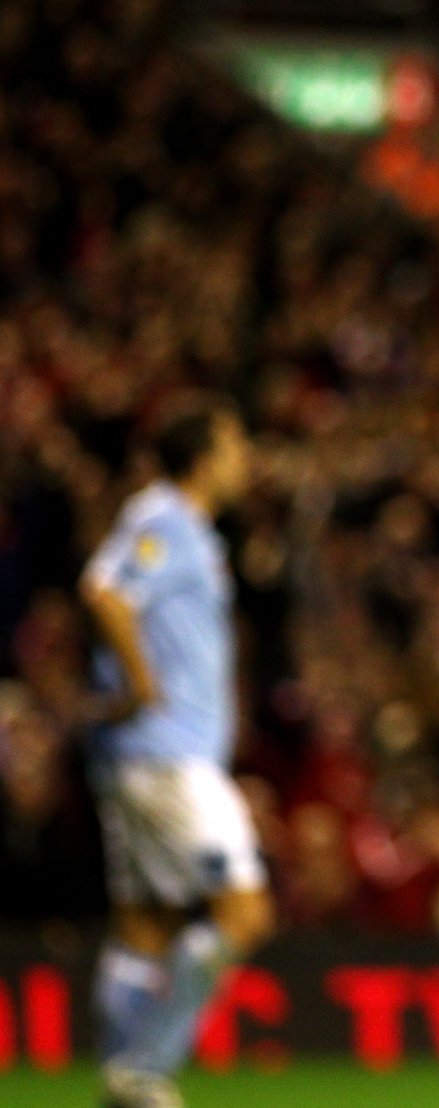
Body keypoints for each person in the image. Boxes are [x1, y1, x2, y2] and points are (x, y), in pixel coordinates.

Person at [78, 399, 273, 1108]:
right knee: (243, 912)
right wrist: (141, 684)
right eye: (235, 444)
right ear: (203, 457)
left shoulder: (190, 529)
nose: (244, 459)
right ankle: (147, 1069)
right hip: (169, 757)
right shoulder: (163, 516)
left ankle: (117, 1074)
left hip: (149, 757)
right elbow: (105, 593)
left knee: (146, 923)